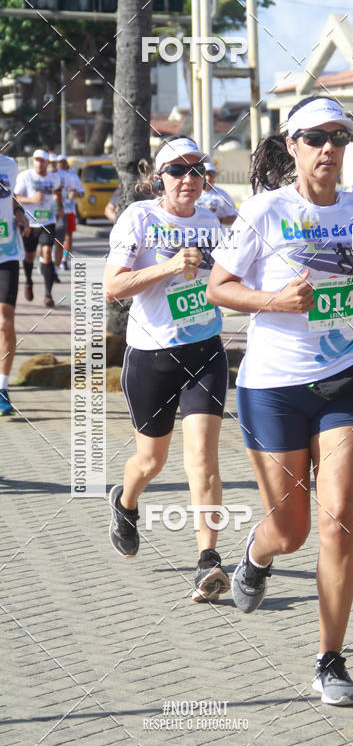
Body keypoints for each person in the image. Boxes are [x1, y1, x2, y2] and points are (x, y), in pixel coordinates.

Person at [207, 96, 353, 705]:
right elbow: (218, 287)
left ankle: (330, 660)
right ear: (291, 147)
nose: (327, 149)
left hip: (343, 378)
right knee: (290, 531)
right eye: (314, 138)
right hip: (272, 388)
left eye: (338, 138)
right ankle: (257, 557)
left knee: (339, 521)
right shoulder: (265, 210)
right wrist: (274, 302)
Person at [104, 136, 230, 604]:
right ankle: (125, 502)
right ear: (159, 177)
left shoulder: (211, 220)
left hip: (205, 352)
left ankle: (208, 560)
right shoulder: (140, 217)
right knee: (151, 462)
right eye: (177, 170)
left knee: (202, 457)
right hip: (151, 356)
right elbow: (112, 287)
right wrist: (171, 265)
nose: (188, 179)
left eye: (197, 170)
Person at [0, 152, 30, 415]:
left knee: (5, 320)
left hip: (6, 252)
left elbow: (10, 196)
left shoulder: (9, 164)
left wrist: (19, 212)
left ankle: (2, 388)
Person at [14, 149, 62, 307]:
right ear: (33, 161)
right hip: (29, 223)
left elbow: (57, 192)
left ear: (47, 163)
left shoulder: (54, 178)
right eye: (36, 160)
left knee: (47, 253)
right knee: (29, 256)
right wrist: (31, 199)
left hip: (47, 222)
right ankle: (28, 281)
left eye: (42, 160)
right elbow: (15, 198)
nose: (39, 163)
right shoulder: (25, 176)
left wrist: (59, 205)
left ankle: (48, 294)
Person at [56, 154, 84, 270]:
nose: (61, 164)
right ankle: (54, 258)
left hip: (69, 210)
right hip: (55, 210)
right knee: (55, 237)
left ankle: (64, 259)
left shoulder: (73, 177)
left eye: (63, 162)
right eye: (59, 162)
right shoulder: (53, 175)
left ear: (66, 163)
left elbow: (82, 193)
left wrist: (75, 194)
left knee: (68, 236)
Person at [199, 160, 237, 226]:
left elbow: (233, 217)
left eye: (211, 174)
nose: (208, 178)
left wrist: (216, 220)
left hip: (216, 234)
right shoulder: (192, 193)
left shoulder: (222, 194)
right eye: (205, 173)